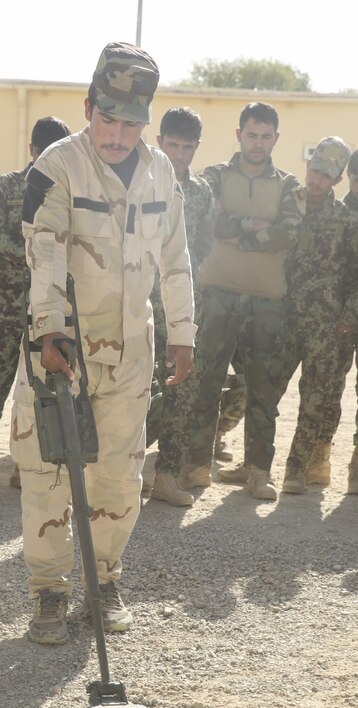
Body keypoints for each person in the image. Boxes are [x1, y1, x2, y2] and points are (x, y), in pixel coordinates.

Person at [11, 41, 196, 644]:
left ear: (147, 120)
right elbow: (43, 252)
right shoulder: (57, 167)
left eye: (131, 122)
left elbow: (176, 259)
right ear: (88, 106)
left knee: (119, 472)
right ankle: (49, 590)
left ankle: (103, 581)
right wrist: (49, 330)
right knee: (50, 471)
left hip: (131, 348)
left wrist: (183, 333)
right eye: (108, 118)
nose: (117, 134)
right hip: (61, 347)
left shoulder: (161, 172)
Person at [179, 101, 305, 501]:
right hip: (218, 291)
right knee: (207, 379)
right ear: (239, 135)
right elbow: (211, 221)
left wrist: (238, 230)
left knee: (262, 388)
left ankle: (258, 471)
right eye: (252, 134)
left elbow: (289, 233)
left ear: (276, 139)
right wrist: (257, 228)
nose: (258, 143)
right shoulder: (214, 176)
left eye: (266, 136)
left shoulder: (288, 186)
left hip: (267, 299)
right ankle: (198, 464)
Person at [0, 116, 71, 490]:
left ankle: (28, 463)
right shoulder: (7, 185)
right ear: (33, 150)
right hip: (9, 304)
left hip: (49, 309)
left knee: (41, 381)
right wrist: (35, 251)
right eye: (44, 154)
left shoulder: (68, 192)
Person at [278, 137, 358, 494]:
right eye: (314, 171)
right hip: (288, 318)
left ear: (336, 179)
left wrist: (354, 314)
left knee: (328, 395)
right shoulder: (290, 206)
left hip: (336, 324)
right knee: (267, 389)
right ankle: (263, 464)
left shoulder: (347, 221)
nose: (316, 180)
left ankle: (308, 468)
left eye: (326, 175)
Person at [306, 147, 358, 494]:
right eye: (355, 181)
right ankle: (319, 460)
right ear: (348, 176)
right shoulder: (333, 212)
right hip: (336, 318)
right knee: (328, 387)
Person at [146, 106, 213, 506]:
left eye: (187, 147)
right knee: (135, 387)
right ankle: (127, 472)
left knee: (181, 389)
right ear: (160, 141)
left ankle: (167, 475)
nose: (179, 154)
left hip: (183, 306)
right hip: (139, 301)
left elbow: (203, 245)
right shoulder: (139, 181)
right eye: (173, 144)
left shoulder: (201, 192)